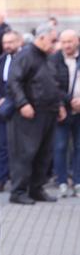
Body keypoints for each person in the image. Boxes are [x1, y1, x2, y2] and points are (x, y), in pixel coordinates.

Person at [7, 23, 67, 205]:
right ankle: (18, 191)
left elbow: (54, 83)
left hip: (48, 112)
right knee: (26, 153)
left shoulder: (48, 57)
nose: (55, 43)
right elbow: (14, 81)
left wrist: (60, 105)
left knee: (43, 154)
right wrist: (23, 103)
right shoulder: (26, 55)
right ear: (41, 37)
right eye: (52, 40)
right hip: (30, 113)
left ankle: (36, 188)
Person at [51, 28, 80, 197]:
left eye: (70, 41)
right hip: (62, 110)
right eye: (64, 42)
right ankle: (61, 181)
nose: (67, 45)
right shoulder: (54, 60)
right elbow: (53, 85)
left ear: (77, 41)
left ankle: (77, 181)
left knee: (78, 146)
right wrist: (67, 101)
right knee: (60, 146)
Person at [0, 30, 21, 190]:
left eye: (11, 42)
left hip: (19, 107)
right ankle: (1, 179)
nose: (7, 45)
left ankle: (19, 179)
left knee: (20, 146)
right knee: (2, 144)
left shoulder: (24, 60)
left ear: (18, 42)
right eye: (5, 43)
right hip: (3, 108)